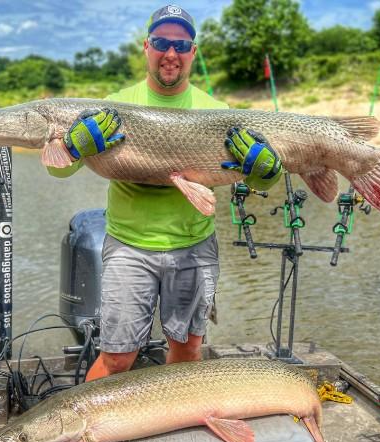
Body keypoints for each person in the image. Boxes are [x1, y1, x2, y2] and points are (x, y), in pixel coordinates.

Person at [48, 4, 282, 380]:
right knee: (117, 358)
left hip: (194, 246)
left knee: (188, 349)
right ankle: (84, 429)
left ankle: (172, 422)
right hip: (129, 247)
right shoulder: (115, 104)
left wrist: (267, 172)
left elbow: (262, 180)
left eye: (181, 44)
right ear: (146, 46)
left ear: (193, 52)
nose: (170, 53)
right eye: (161, 42)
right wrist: (74, 147)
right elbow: (58, 168)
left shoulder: (217, 111)